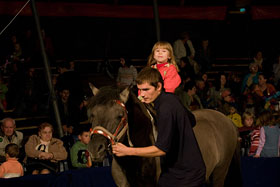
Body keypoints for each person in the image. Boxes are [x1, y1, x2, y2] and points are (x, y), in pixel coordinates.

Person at [112, 67, 206, 187]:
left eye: (146, 89)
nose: (142, 95)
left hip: (186, 176)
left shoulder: (164, 108)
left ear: (159, 87)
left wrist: (127, 151)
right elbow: (192, 120)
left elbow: (161, 149)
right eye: (140, 90)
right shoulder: (171, 98)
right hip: (173, 172)